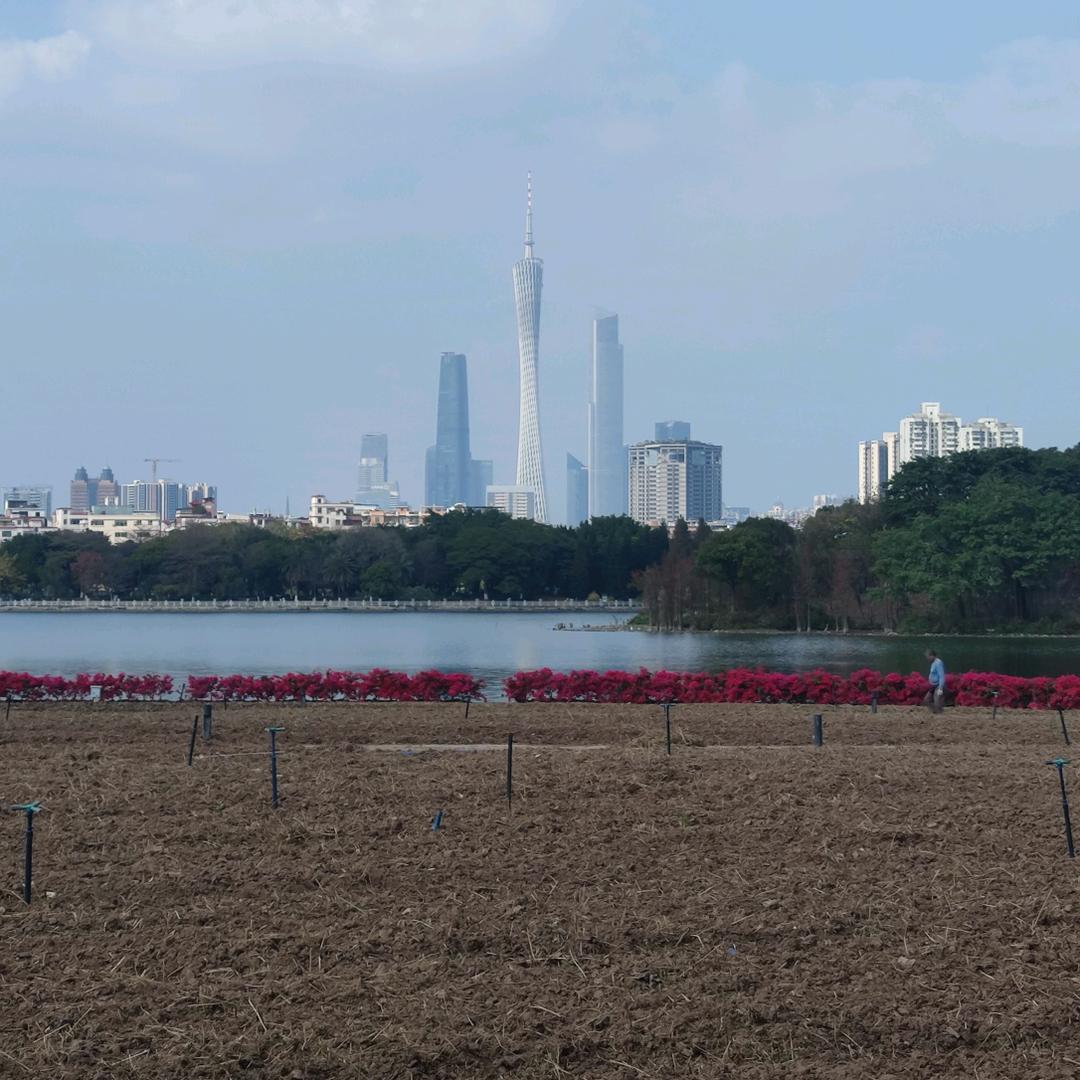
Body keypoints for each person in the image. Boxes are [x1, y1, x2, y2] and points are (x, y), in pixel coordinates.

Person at [924, 649, 946, 714]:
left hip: (938, 685)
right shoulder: (933, 663)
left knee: (937, 701)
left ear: (932, 656)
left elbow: (941, 676)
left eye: (928, 657)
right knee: (926, 700)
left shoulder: (938, 663)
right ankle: (935, 711)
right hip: (933, 685)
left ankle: (940, 713)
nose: (927, 658)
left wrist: (940, 688)